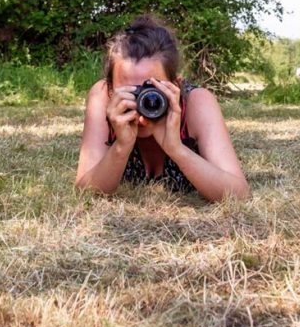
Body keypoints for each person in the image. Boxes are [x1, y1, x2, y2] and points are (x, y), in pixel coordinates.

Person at [75, 15, 249, 202]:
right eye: (129, 93)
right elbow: (85, 191)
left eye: (151, 90)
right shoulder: (101, 97)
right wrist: (121, 146)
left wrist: (176, 149)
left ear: (176, 86)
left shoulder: (197, 103)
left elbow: (239, 194)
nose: (142, 102)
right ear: (109, 89)